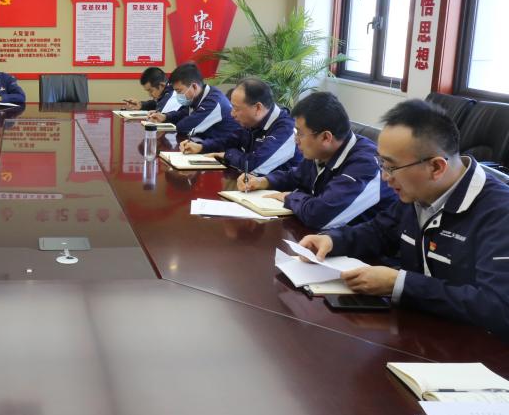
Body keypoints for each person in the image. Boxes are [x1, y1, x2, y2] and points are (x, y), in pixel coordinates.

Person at [299, 99, 509, 341]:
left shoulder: (499, 212)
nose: (384, 177)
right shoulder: (417, 192)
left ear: (436, 167)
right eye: (382, 164)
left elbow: (497, 306)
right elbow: (379, 232)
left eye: (391, 167)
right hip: (418, 333)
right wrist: (333, 240)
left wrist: (400, 284)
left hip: (475, 350)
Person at [237, 91, 397, 229]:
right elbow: (296, 176)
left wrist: (289, 197)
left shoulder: (365, 164)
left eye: (300, 133)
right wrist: (263, 181)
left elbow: (319, 215)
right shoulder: (321, 152)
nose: (296, 140)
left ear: (326, 137)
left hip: (367, 250)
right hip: (327, 239)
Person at [182, 77, 300, 176]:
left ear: (258, 108)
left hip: (279, 193)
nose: (232, 114)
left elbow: (253, 166)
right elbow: (229, 141)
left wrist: (227, 154)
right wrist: (201, 146)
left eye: (236, 109)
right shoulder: (253, 122)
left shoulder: (286, 129)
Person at [148, 62, 237, 141]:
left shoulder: (213, 101)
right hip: (205, 144)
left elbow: (184, 127)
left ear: (194, 87)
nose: (177, 95)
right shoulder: (197, 97)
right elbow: (183, 113)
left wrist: (169, 123)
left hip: (223, 150)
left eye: (179, 91)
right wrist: (164, 117)